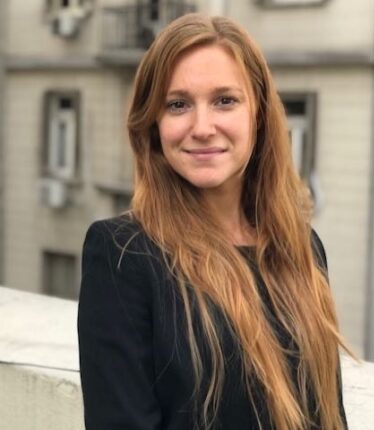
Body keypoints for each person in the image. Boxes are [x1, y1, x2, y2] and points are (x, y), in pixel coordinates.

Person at [78, 13, 351, 430]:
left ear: (259, 113)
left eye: (225, 100)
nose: (202, 128)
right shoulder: (122, 254)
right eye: (178, 104)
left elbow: (330, 415)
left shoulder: (301, 247)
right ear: (153, 123)